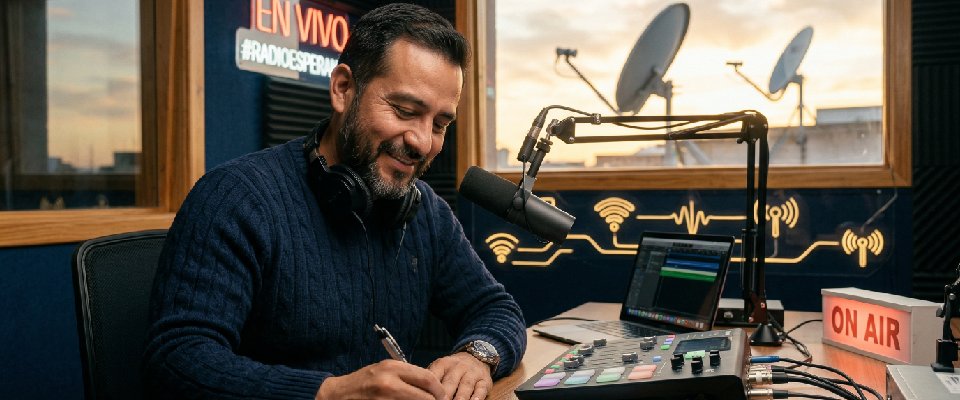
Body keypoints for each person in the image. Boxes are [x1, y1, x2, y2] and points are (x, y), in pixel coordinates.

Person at [142, 3, 527, 399]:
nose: (423, 141)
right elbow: (177, 357)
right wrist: (329, 392)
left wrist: (477, 355)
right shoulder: (237, 197)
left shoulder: (425, 211)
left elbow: (495, 308)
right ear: (343, 89)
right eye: (405, 111)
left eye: (440, 124)